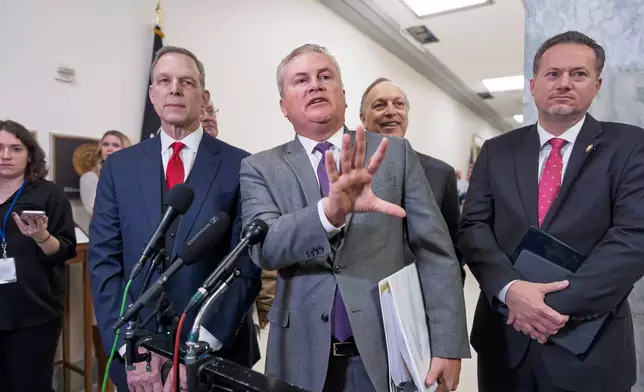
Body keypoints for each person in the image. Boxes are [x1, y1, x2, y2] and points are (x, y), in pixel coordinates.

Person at [239, 44, 469, 392]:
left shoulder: (394, 155)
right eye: (301, 80)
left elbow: (435, 253)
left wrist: (448, 344)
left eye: (325, 76)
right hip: (299, 354)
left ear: (344, 96)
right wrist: (328, 215)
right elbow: (265, 248)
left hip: (385, 350)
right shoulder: (260, 168)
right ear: (284, 105)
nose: (315, 85)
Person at [459, 30, 644, 392]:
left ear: (597, 84)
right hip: (505, 344)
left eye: (578, 74)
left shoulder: (630, 145)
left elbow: (633, 238)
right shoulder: (497, 150)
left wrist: (545, 307)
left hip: (589, 348)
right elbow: (473, 228)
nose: (564, 83)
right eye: (553, 74)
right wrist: (511, 290)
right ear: (533, 85)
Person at [89, 46, 261, 392]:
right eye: (164, 81)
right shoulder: (119, 167)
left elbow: (246, 265)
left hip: (214, 350)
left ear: (204, 95)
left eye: (186, 81)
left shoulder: (242, 165)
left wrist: (200, 346)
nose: (175, 89)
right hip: (137, 355)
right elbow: (103, 261)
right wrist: (129, 349)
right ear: (152, 95)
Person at [359, 77, 464, 282]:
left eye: (398, 104)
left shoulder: (440, 174)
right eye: (380, 105)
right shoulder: (349, 173)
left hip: (421, 293)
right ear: (363, 118)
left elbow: (453, 247)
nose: (391, 111)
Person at [0, 120, 77, 392]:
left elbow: (66, 250)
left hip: (33, 313)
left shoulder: (49, 194)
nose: (5, 155)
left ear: (30, 154)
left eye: (15, 148)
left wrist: (41, 237)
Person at [79, 130, 131, 217]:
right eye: (105, 144)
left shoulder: (134, 176)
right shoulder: (90, 177)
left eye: (115, 145)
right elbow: (95, 211)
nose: (109, 149)